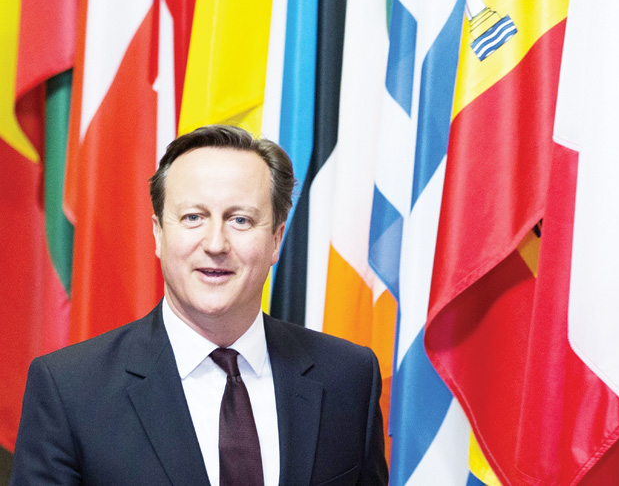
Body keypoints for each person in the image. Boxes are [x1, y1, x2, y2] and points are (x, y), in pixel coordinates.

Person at [10, 125, 388, 486]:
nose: (215, 244)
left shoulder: (349, 378)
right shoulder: (69, 390)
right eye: (193, 217)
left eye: (240, 220)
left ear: (276, 239)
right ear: (158, 233)